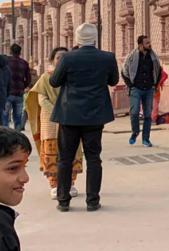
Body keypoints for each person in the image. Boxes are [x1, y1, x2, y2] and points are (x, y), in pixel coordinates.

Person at [50, 23, 119, 211]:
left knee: (65, 158)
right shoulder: (107, 58)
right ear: (95, 39)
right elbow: (113, 80)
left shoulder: (67, 58)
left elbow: (54, 82)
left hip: (69, 114)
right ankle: (92, 201)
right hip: (95, 114)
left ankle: (63, 201)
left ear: (77, 40)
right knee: (94, 158)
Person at [24, 46, 82, 199]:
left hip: (71, 118)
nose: (61, 60)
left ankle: (71, 183)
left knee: (72, 150)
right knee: (52, 151)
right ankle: (54, 184)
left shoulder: (75, 77)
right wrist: (59, 112)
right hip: (51, 120)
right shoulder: (45, 77)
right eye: (58, 57)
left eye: (65, 57)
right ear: (52, 60)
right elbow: (42, 99)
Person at [122, 35, 162, 147]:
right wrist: (130, 85)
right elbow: (124, 71)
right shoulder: (132, 56)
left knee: (147, 115)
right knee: (134, 113)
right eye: (147, 43)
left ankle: (146, 139)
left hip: (149, 89)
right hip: (136, 89)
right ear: (140, 45)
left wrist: (155, 85)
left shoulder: (153, 57)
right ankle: (135, 132)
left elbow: (158, 71)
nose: (149, 44)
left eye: (149, 42)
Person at [3, 43, 32, 131]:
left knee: (5, 115)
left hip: (8, 92)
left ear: (10, 51)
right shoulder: (24, 63)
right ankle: (17, 133)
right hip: (19, 93)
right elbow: (28, 79)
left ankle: (6, 134)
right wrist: (23, 86)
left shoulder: (6, 61)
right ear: (20, 52)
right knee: (18, 116)